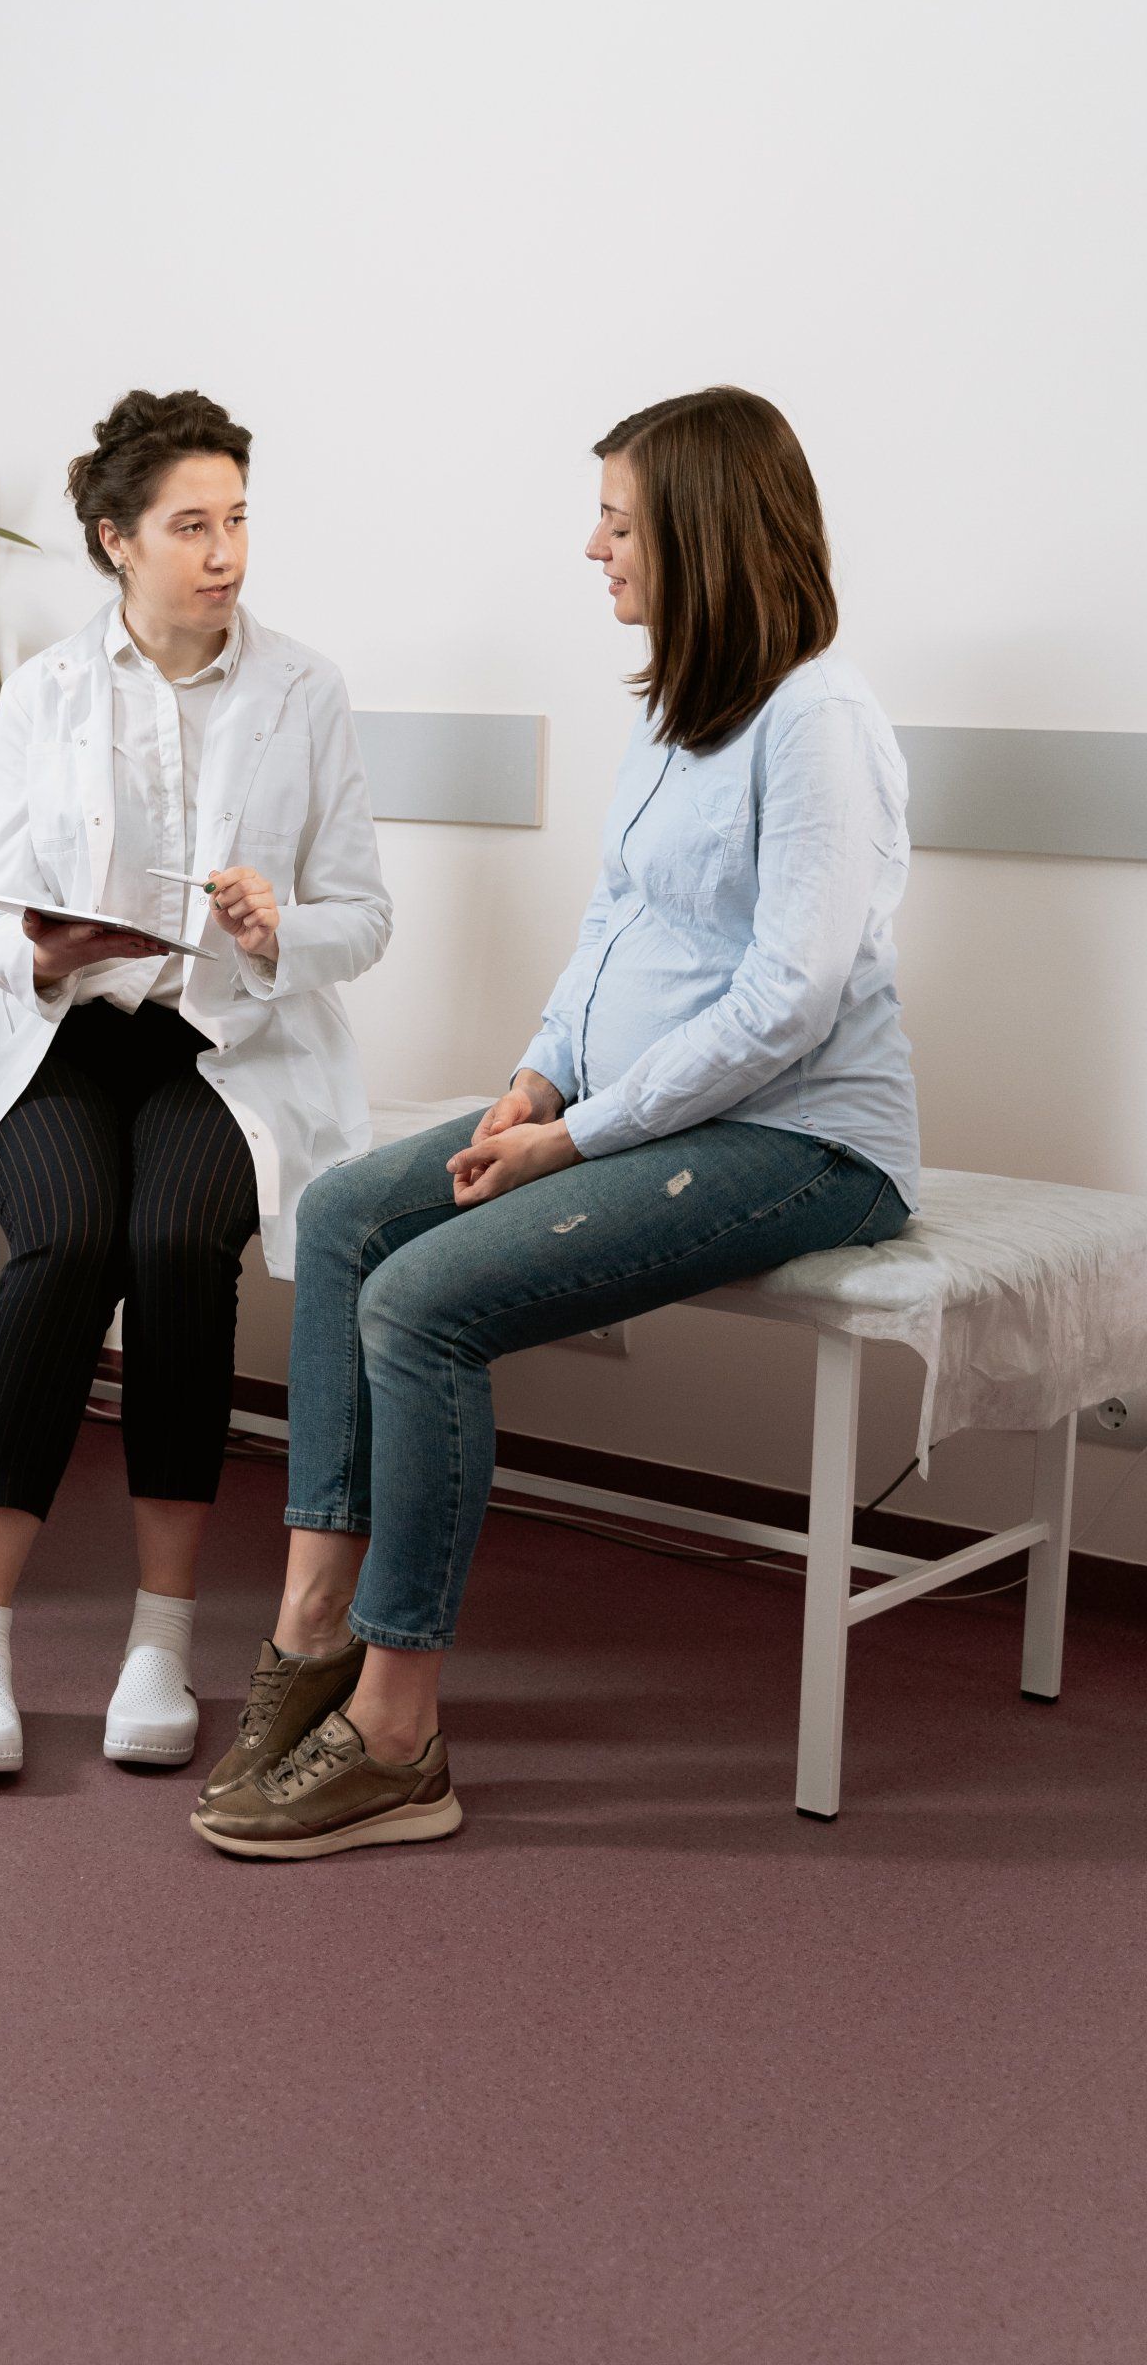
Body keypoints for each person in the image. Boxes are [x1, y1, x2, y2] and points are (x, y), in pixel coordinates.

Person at [193, 385, 919, 1860]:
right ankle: (313, 1631)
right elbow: (615, 930)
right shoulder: (677, 711)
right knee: (343, 1215)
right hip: (636, 1111)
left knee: (421, 1304)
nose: (593, 547)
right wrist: (536, 1075)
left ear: (703, 535)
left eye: (618, 519)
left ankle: (399, 1735)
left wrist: (577, 1140)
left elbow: (787, 1004)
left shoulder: (818, 720)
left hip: (806, 1143)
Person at [0, 388, 391, 1778]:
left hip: (226, 1045)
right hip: (72, 1033)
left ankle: (159, 1637)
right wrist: (39, 944)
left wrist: (277, 928)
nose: (225, 551)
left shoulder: (305, 691)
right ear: (114, 539)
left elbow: (362, 917)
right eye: (192, 524)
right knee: (68, 1244)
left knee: (177, 1246)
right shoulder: (48, 691)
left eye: (238, 519)